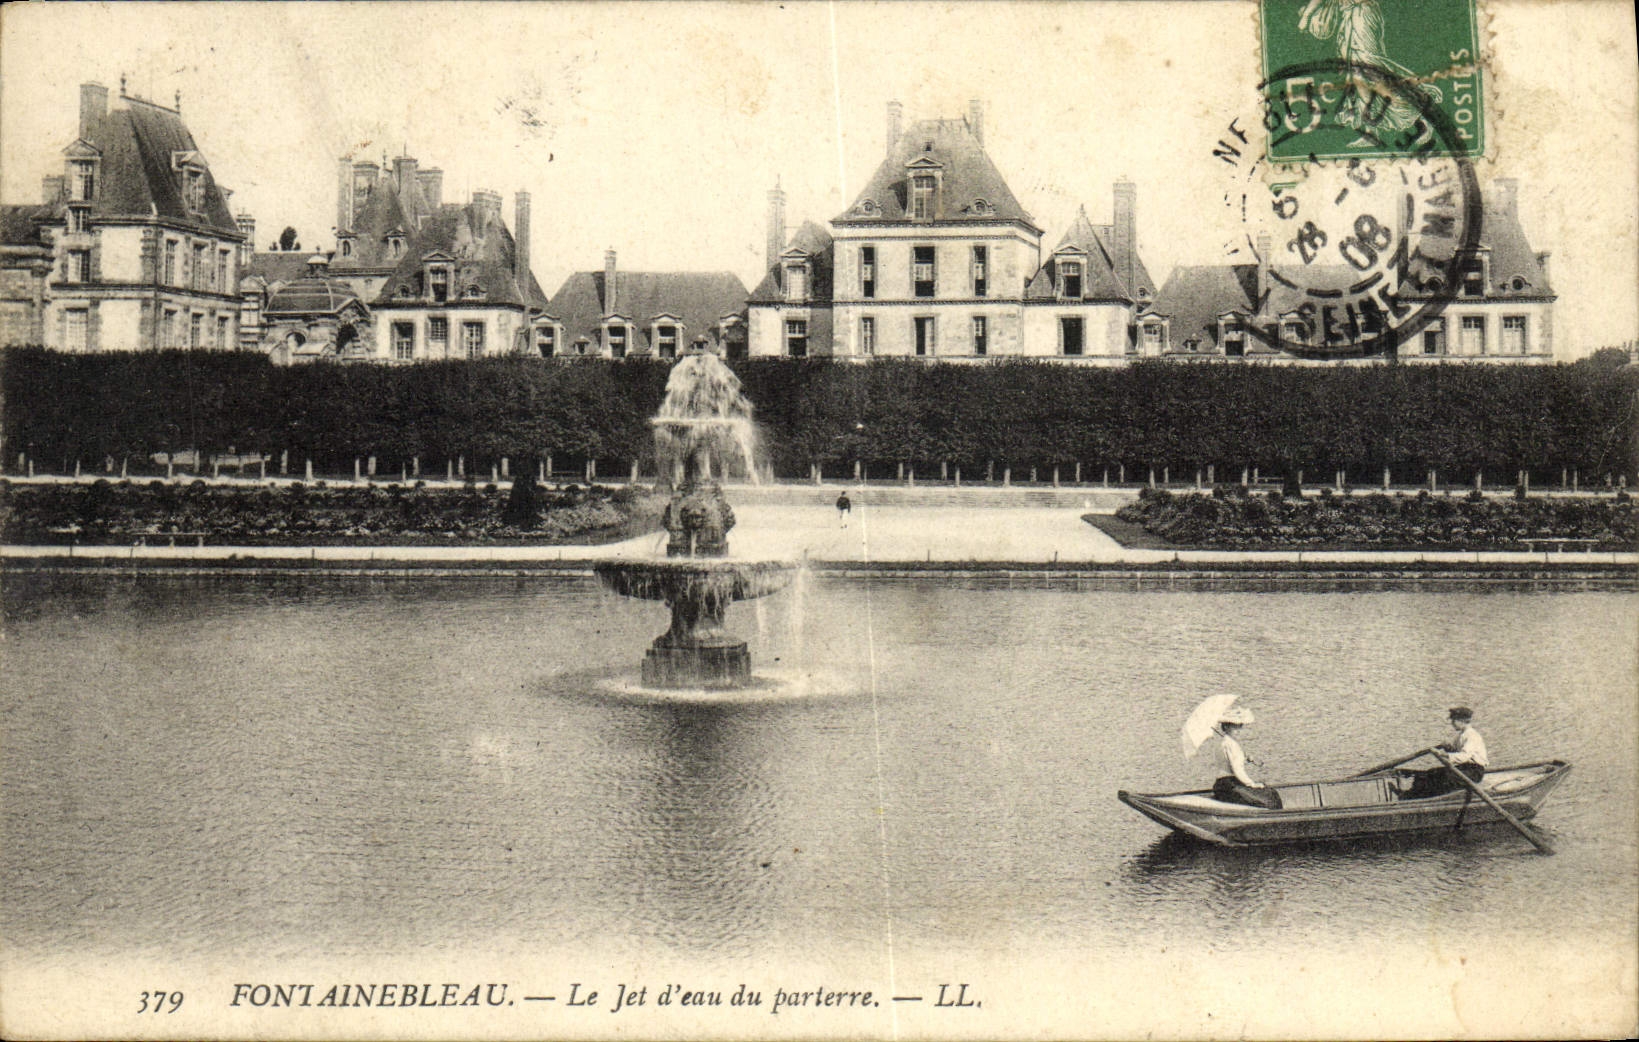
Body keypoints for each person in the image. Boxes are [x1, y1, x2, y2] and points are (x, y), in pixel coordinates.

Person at [1400, 706, 1488, 799]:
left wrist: (1442, 754)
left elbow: (1464, 757)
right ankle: (1412, 795)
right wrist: (1448, 748)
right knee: (1431, 773)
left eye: (1453, 721)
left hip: (1474, 772)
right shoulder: (1462, 735)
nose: (1452, 724)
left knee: (1443, 778)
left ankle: (1421, 798)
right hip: (1464, 768)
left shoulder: (1472, 736)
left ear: (1461, 720)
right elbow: (1458, 753)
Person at [1210, 706, 1283, 809]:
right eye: (1235, 726)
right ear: (1226, 727)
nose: (1239, 730)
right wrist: (1251, 784)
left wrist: (1244, 758)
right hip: (1229, 785)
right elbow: (1237, 770)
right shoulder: (1231, 744)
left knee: (1267, 792)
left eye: (1240, 726)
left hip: (1221, 785)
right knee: (1269, 797)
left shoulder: (1224, 743)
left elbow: (1229, 762)